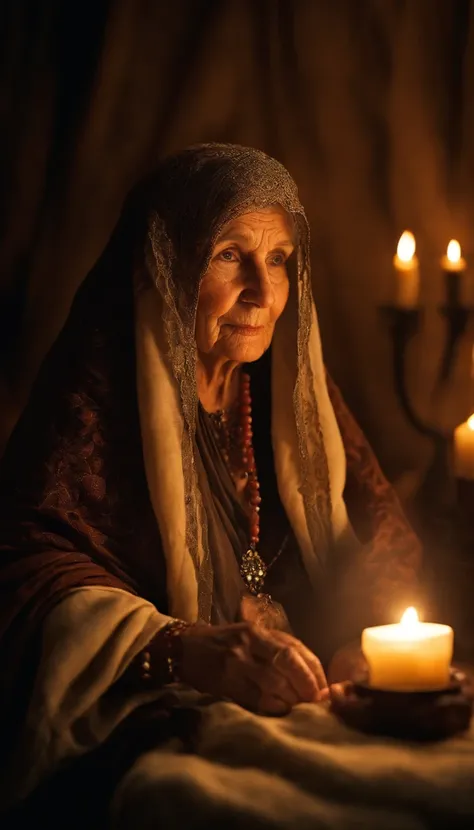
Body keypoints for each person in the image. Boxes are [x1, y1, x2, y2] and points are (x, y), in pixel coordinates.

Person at [0, 143, 421, 825]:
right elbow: (27, 574)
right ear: (165, 264)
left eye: (279, 259)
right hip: (160, 725)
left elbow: (380, 530)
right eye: (230, 255)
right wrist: (182, 650)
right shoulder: (97, 400)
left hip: (313, 712)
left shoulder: (291, 397)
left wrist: (365, 642)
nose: (261, 289)